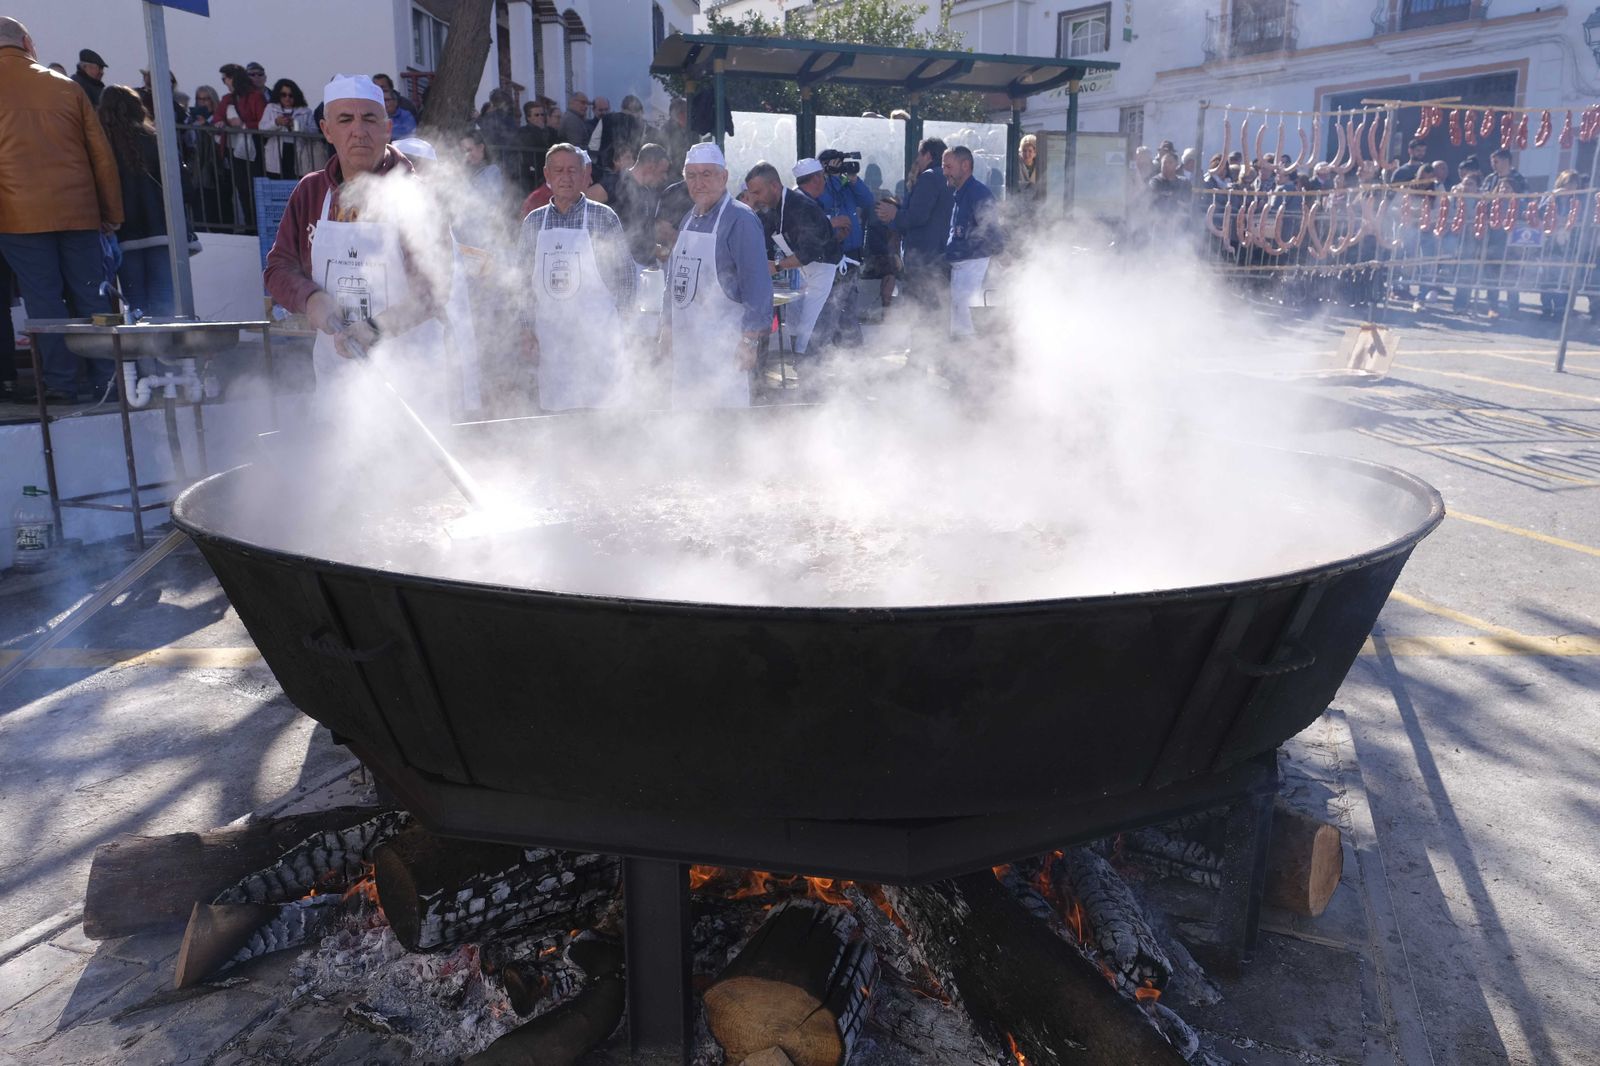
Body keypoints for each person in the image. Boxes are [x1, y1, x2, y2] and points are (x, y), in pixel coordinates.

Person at [263, 74, 445, 400]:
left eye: (369, 119)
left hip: (411, 370)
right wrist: (310, 298)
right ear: (326, 130)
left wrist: (374, 327)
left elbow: (434, 283)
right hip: (335, 371)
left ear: (387, 128)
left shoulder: (416, 194)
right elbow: (279, 268)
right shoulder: (310, 192)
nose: (358, 130)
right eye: (345, 119)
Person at [0, 18, 122, 403]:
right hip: (79, 210)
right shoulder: (67, 86)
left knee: (43, 300)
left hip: (17, 214)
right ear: (27, 42)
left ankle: (61, 383)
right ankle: (108, 380)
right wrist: (111, 211)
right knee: (92, 294)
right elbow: (101, 156)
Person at [517, 143, 636, 410]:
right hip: (551, 342)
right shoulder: (534, 222)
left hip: (598, 342)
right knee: (559, 417)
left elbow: (627, 278)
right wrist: (526, 329)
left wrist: (621, 328)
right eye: (558, 170)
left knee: (602, 416)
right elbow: (523, 283)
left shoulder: (603, 217)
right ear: (547, 175)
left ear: (585, 175)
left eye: (572, 170)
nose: (565, 177)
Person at [665, 142, 772, 408]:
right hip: (686, 346)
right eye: (692, 175)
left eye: (707, 174)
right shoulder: (689, 218)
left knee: (724, 421)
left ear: (723, 177)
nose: (698, 183)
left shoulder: (740, 220)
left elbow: (757, 286)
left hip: (725, 348)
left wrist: (750, 341)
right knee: (687, 418)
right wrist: (666, 327)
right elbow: (674, 280)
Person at [744, 159, 840, 360]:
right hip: (803, 274)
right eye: (751, 193)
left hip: (826, 273)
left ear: (774, 186)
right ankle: (802, 372)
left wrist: (777, 266)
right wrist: (748, 210)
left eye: (757, 192)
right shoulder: (772, 208)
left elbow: (808, 253)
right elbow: (760, 237)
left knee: (812, 334)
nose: (754, 198)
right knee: (796, 329)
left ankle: (815, 376)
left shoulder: (802, 207)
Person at [98, 85, 176, 319]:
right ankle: (166, 343)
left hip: (123, 231)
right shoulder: (155, 139)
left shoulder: (103, 144)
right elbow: (182, 183)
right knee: (165, 300)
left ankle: (143, 344)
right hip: (161, 228)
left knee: (135, 303)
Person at [875, 137, 953, 325]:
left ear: (928, 155)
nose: (917, 159)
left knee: (920, 313)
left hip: (924, 258)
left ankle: (922, 344)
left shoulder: (929, 177)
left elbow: (917, 216)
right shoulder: (947, 178)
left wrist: (894, 214)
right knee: (936, 313)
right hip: (941, 257)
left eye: (919, 154)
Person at [816, 148, 875, 350]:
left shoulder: (845, 184)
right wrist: (829, 176)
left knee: (849, 304)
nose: (840, 167)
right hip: (832, 254)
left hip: (851, 254)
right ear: (824, 165)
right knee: (832, 306)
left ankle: (852, 350)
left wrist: (853, 179)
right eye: (836, 163)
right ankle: (825, 350)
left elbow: (868, 200)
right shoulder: (820, 186)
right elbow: (824, 202)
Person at [942, 145, 1002, 339]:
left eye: (949, 167)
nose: (945, 172)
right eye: (944, 167)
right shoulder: (960, 194)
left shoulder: (978, 193)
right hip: (962, 270)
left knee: (970, 329)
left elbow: (993, 235)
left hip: (974, 269)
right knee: (960, 327)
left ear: (965, 166)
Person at [215, 63, 267, 224]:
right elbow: (218, 117)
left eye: (225, 79)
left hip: (252, 149)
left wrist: (244, 126)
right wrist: (221, 123)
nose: (225, 82)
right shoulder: (227, 99)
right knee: (242, 189)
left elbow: (263, 122)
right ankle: (250, 224)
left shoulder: (255, 97)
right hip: (232, 149)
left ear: (233, 79)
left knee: (252, 189)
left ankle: (256, 225)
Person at [610, 143, 671, 266]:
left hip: (645, 265)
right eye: (662, 171)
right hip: (621, 265)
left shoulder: (647, 192)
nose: (665, 177)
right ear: (650, 166)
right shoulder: (617, 182)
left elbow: (644, 232)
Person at [260, 78, 316, 180]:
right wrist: (276, 123)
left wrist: (296, 125)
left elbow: (314, 132)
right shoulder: (271, 108)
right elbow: (262, 129)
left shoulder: (306, 111)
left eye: (291, 95)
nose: (287, 98)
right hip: (275, 155)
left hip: (298, 154)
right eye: (283, 95)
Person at [515, 99, 553, 194]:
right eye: (537, 115)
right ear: (528, 117)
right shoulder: (523, 131)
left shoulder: (551, 131)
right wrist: (540, 130)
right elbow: (531, 143)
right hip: (532, 173)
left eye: (542, 114)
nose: (540, 117)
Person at [1017, 133, 1044, 206]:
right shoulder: (1016, 165)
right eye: (1024, 151)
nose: (1027, 154)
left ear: (1035, 153)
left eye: (1030, 151)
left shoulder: (1040, 166)